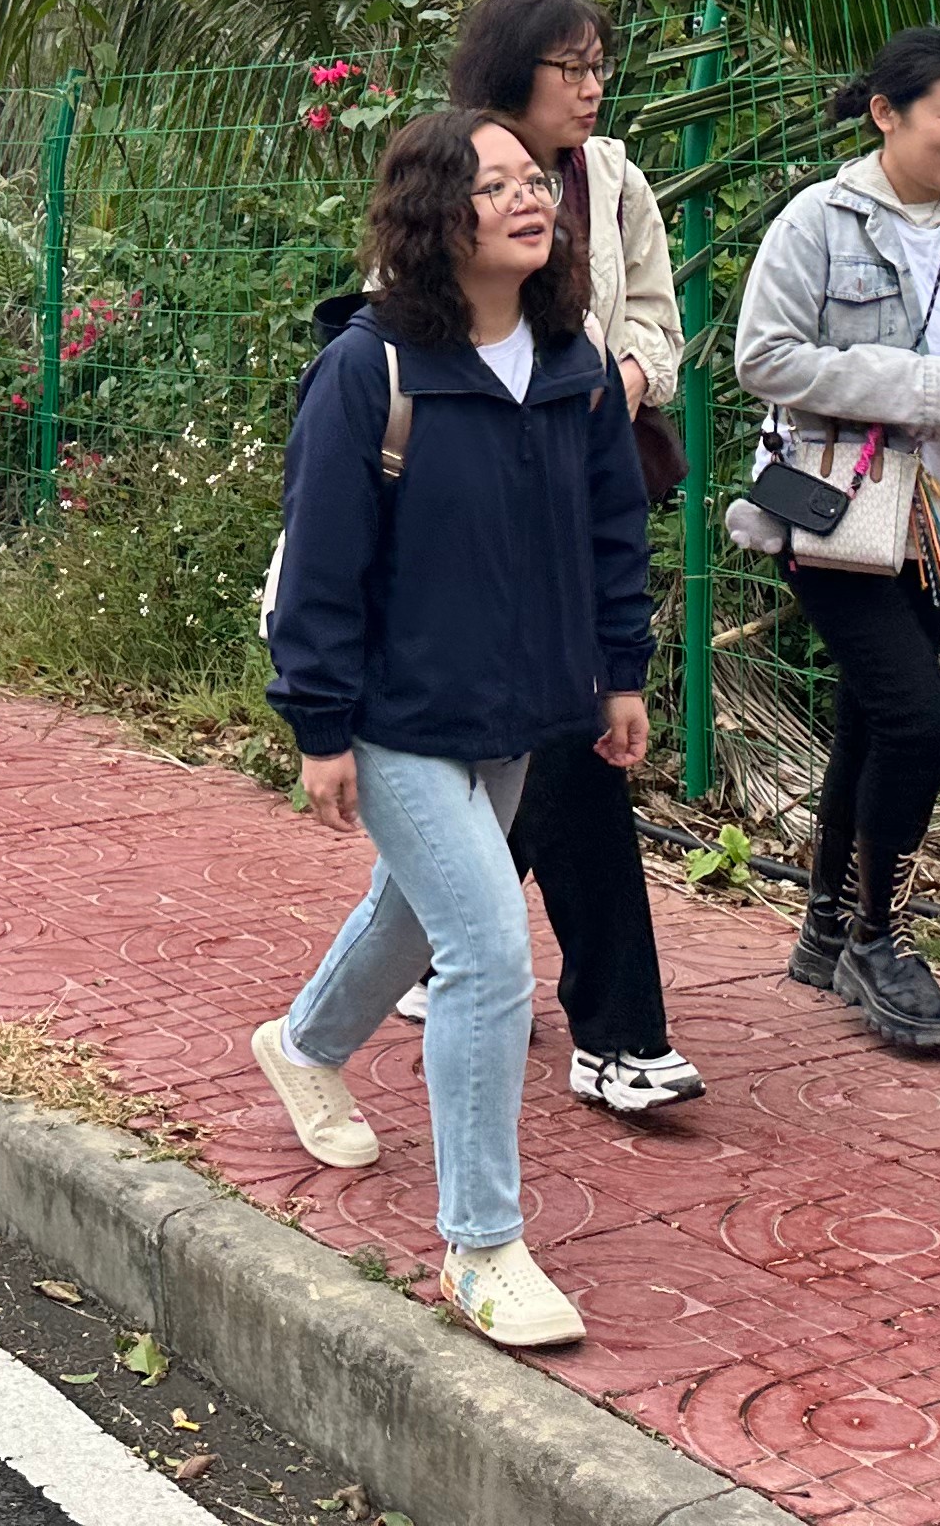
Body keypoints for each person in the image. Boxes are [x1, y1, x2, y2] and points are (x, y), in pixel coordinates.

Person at [254, 110, 654, 1351]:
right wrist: (321, 727)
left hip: (520, 704)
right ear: (437, 216)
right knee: (487, 950)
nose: (530, 199)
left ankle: (304, 1041)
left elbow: (611, 536)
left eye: (536, 182)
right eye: (496, 186)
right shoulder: (371, 371)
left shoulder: (573, 361)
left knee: (421, 911)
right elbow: (321, 559)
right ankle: (482, 1247)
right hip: (392, 713)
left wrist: (620, 673)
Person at [729, 23, 940, 1056]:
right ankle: (880, 937)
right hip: (830, 514)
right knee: (919, 725)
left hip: (934, 521)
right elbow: (762, 357)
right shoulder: (817, 221)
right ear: (886, 114)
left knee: (871, 718)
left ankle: (824, 926)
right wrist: (913, 385)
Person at [426, 0, 700, 1117]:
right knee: (565, 746)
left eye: (600, 65)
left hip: (588, 486)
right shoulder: (457, 174)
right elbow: (426, 323)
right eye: (569, 66)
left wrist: (615, 385)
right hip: (487, 503)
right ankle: (620, 1031)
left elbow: (660, 329)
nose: (592, 87)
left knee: (532, 754)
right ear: (511, 71)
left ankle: (430, 952)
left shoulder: (617, 180)